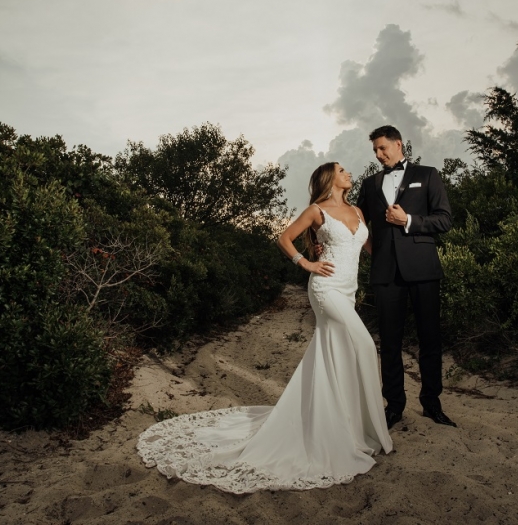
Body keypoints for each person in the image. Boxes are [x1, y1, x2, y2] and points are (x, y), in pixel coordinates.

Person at [136, 162, 392, 494]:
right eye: (342, 170)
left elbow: (371, 247)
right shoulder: (316, 210)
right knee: (365, 345)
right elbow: (283, 237)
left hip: (348, 290)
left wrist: (405, 245)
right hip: (325, 289)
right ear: (330, 179)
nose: (349, 173)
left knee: (339, 353)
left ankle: (346, 425)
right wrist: (306, 262)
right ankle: (354, 428)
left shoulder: (357, 209)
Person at [356, 125, 456, 429]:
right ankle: (394, 406)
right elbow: (357, 225)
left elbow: (445, 219)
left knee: (430, 339)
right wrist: (375, 251)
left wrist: (408, 220)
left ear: (399, 145)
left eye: (383, 148)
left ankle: (432, 404)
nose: (378, 154)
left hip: (423, 269)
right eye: (375, 150)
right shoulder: (370, 184)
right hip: (386, 273)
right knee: (389, 342)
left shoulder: (428, 175)